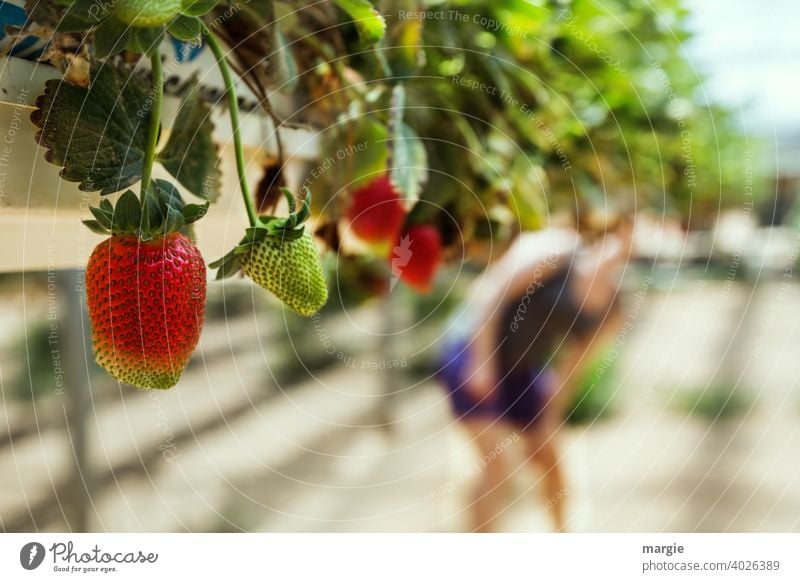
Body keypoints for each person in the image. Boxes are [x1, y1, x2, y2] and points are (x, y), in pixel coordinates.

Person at [438, 218, 631, 532]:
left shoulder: (612, 307)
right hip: (470, 347)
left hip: (520, 367)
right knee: (497, 464)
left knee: (551, 458)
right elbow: (490, 296)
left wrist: (548, 420)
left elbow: (572, 370)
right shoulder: (555, 253)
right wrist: (482, 363)